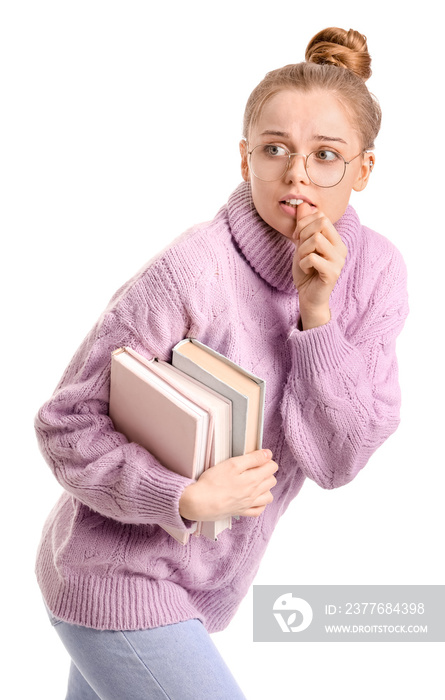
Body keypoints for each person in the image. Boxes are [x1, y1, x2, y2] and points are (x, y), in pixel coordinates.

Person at [35, 26, 409, 700]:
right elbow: (66, 422)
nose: (296, 174)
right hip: (115, 575)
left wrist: (316, 317)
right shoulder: (192, 268)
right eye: (274, 150)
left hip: (201, 590)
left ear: (362, 169)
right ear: (244, 160)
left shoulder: (375, 273)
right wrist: (179, 495)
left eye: (325, 155)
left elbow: (337, 461)